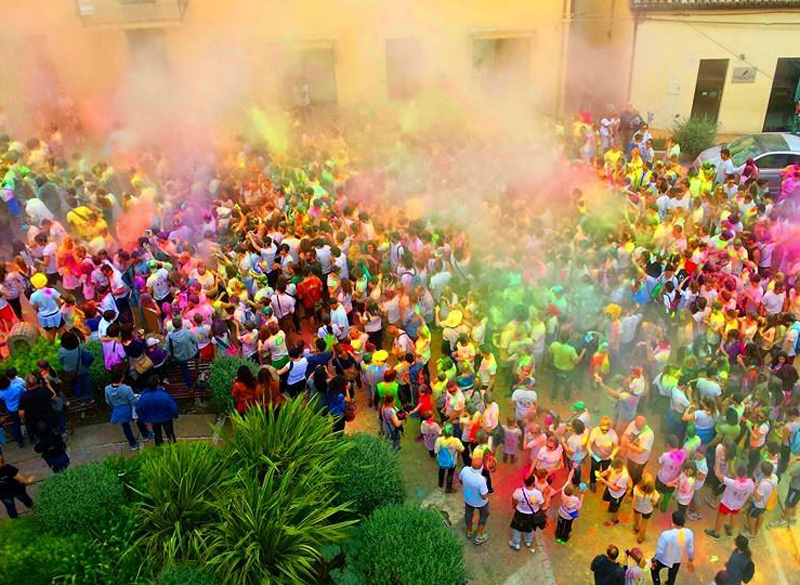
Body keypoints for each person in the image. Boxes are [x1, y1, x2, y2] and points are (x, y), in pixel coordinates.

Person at [705, 464, 755, 539]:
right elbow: (751, 493)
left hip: (727, 503)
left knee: (721, 516)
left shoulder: (732, 483)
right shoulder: (750, 483)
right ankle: (730, 529)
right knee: (734, 516)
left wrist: (718, 460)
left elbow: (718, 474)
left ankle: (716, 532)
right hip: (738, 504)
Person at [104, 368, 149, 451]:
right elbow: (133, 401)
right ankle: (146, 435)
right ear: (122, 378)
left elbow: (108, 401)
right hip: (129, 410)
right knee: (139, 421)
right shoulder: (126, 389)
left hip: (118, 411)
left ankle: (133, 444)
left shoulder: (107, 389)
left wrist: (114, 407)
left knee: (126, 428)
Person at [651, 511, 695, 585]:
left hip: (663, 559)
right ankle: (669, 583)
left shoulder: (666, 535)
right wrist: (691, 560)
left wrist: (654, 559)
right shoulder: (689, 533)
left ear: (673, 522)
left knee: (654, 570)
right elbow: (690, 549)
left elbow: (660, 552)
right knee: (673, 574)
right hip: (677, 559)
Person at [136, 375, 179, 446]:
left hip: (153, 420)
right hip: (166, 418)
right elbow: (174, 407)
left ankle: (159, 449)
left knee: (157, 435)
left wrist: (145, 419)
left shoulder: (144, 397)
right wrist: (175, 415)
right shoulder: (164, 395)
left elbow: (138, 409)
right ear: (157, 384)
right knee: (170, 433)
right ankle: (173, 447)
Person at [508, 474, 544, 552]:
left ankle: (516, 543)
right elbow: (541, 504)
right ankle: (528, 541)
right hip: (532, 514)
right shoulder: (538, 493)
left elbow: (514, 500)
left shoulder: (518, 491)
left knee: (517, 528)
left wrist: (514, 506)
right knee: (530, 528)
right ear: (533, 482)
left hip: (520, 512)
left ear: (524, 482)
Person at [57, 330, 94, 404]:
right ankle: (90, 398)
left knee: (76, 385)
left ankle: (80, 400)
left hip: (70, 372)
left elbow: (61, 362)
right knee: (87, 382)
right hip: (82, 368)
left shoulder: (61, 351)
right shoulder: (80, 346)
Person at [461, 455, 490, 545]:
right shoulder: (481, 480)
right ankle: (478, 536)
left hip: (468, 498)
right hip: (480, 503)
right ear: (481, 467)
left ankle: (469, 531)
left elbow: (461, 481)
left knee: (468, 514)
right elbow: (484, 496)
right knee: (484, 516)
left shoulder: (465, 470)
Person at [166, 315, 199, 394]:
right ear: (181, 323)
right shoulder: (188, 332)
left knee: (185, 370)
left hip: (179, 357)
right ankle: (197, 368)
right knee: (197, 350)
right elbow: (195, 341)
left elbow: (166, 348)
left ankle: (190, 387)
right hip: (191, 354)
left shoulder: (169, 336)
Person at [0, 450, 35, 518]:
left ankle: (16, 522)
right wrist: (28, 480)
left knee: (10, 508)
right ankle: (38, 512)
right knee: (27, 501)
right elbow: (21, 479)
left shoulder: (7, 468)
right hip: (17, 490)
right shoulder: (7, 468)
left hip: (3, 494)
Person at [434, 422, 464, 492]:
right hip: (452, 461)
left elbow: (436, 451)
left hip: (442, 461)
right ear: (452, 431)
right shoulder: (456, 441)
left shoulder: (439, 440)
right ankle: (448, 487)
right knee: (450, 474)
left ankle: (440, 483)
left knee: (441, 471)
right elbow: (462, 449)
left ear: (443, 431)